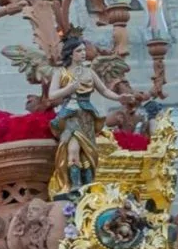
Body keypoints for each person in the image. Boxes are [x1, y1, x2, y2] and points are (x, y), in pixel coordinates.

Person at [48, 31, 134, 200]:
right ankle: (74, 185)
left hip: (86, 116)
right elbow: (52, 95)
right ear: (71, 54)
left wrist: (119, 97)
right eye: (79, 51)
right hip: (70, 116)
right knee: (72, 149)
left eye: (83, 50)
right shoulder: (61, 72)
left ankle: (88, 184)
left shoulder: (89, 72)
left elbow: (104, 90)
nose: (83, 53)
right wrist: (69, 89)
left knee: (88, 152)